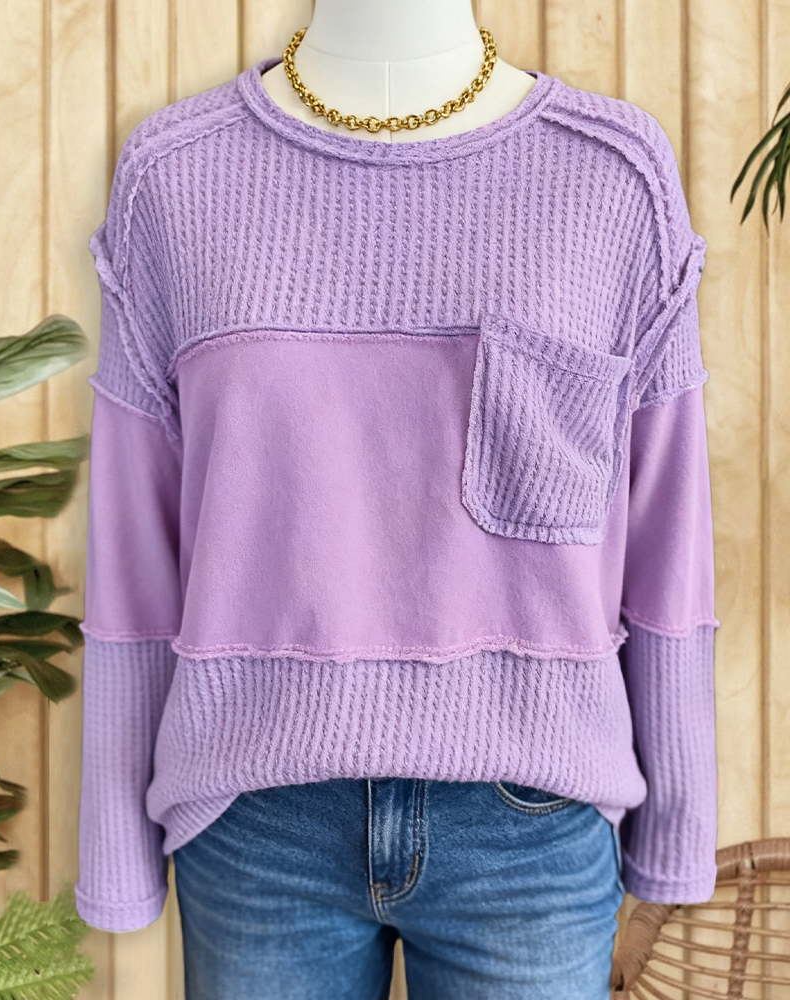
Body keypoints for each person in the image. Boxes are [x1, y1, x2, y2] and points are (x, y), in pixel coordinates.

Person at [75, 1, 720, 997]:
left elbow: (666, 525)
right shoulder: (175, 176)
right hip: (255, 817)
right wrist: (115, 847)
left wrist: (676, 826)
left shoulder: (610, 178)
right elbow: (135, 544)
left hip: (531, 821)